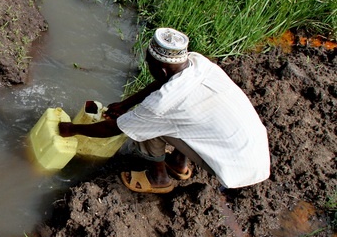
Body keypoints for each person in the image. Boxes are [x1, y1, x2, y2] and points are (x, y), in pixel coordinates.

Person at [58, 27, 270, 193]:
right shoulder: (198, 64)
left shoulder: (162, 105)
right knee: (185, 119)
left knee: (142, 128)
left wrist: (72, 129)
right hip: (253, 149)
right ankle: (178, 164)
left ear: (159, 68)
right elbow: (164, 82)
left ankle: (159, 178)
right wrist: (125, 103)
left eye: (149, 64)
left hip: (233, 169)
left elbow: (114, 129)